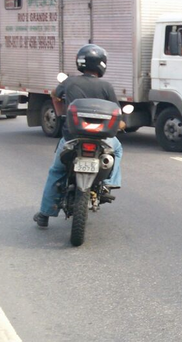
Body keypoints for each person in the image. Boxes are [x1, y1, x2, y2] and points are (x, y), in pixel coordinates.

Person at [33, 44, 125, 228]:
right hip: (102, 139)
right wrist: (121, 125)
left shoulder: (69, 82)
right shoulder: (106, 86)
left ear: (80, 62)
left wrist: (60, 106)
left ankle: (45, 214)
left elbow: (55, 94)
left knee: (56, 171)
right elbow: (117, 113)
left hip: (71, 138)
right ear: (102, 65)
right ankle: (109, 181)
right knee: (118, 149)